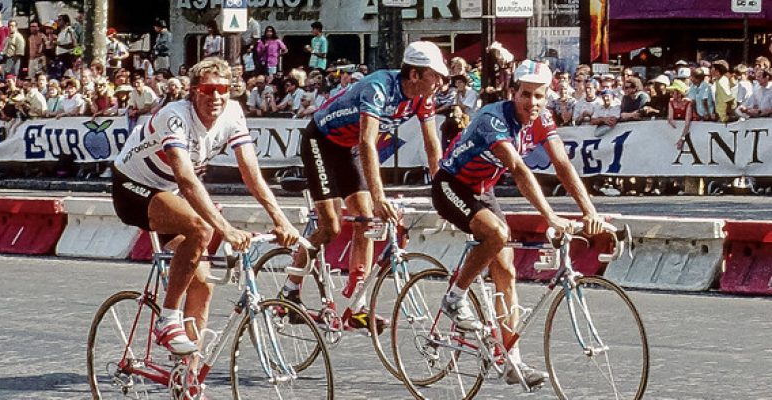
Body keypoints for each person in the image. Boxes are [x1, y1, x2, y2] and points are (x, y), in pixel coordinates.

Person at [433, 59, 605, 388]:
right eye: (526, 95)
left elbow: (562, 164)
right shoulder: (492, 118)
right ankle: (454, 297)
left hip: (483, 191)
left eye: (540, 96)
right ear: (513, 93)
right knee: (497, 234)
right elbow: (519, 170)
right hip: (451, 186)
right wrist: (550, 216)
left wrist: (590, 211)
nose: (533, 103)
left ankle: (510, 358)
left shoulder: (542, 118)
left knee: (507, 273)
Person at [111, 57, 300, 355]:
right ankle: (168, 318)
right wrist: (224, 229)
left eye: (223, 89)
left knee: (203, 284)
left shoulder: (233, 113)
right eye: (208, 89)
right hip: (132, 187)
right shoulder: (175, 115)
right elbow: (187, 180)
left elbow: (251, 173)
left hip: (169, 192)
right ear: (195, 91)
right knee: (201, 227)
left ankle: (189, 378)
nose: (216, 97)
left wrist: (281, 219)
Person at [280, 41, 447, 332]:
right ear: (416, 75)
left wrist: (443, 189)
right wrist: (380, 196)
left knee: (366, 220)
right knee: (331, 226)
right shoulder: (379, 87)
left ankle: (356, 305)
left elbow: (432, 145)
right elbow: (368, 142)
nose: (442, 82)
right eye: (436, 75)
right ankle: (289, 290)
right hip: (321, 141)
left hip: (347, 149)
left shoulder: (424, 97)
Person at [667, 80, 696, 150]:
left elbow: (687, 124)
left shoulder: (688, 103)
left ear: (679, 93)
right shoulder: (671, 102)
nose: (671, 94)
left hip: (689, 133)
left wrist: (682, 139)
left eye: (673, 92)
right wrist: (670, 120)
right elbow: (670, 117)